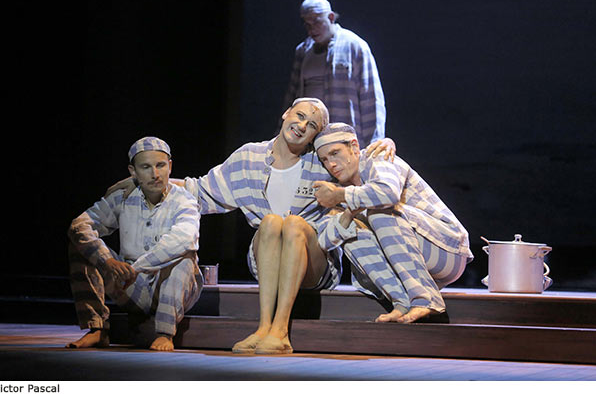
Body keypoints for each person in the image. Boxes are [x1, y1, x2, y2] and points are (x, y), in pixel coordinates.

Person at [105, 99, 395, 354]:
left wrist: (386, 147)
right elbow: (200, 191)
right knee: (270, 222)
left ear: (316, 135)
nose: (301, 125)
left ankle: (280, 332)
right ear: (286, 113)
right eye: (299, 116)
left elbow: (354, 164)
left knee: (293, 224)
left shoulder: (320, 162)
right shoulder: (249, 158)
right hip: (266, 256)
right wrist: (144, 182)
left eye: (312, 125)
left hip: (314, 261)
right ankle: (263, 327)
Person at [312, 123, 473, 323]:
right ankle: (402, 302)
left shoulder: (377, 156)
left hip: (447, 250)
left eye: (335, 153)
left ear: (354, 146)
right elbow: (325, 240)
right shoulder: (335, 190)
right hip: (412, 265)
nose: (331, 164)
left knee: (380, 211)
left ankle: (425, 300)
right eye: (324, 159)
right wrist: (347, 213)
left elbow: (387, 193)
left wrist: (343, 195)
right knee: (351, 233)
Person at [66, 137, 203, 351]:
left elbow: (183, 239)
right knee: (80, 247)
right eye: (146, 167)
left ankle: (165, 333)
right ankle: (97, 329)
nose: (155, 174)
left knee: (184, 257)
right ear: (133, 171)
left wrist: (137, 268)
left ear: (170, 166)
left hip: (169, 288)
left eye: (160, 165)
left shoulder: (184, 200)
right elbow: (79, 226)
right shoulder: (122, 198)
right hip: (131, 287)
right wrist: (108, 261)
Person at [283, 0, 386, 148]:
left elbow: (371, 97)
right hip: (308, 138)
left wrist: (374, 143)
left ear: (330, 17)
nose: (312, 29)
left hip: (344, 138)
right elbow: (292, 97)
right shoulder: (303, 51)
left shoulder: (354, 46)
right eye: (307, 24)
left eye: (317, 21)